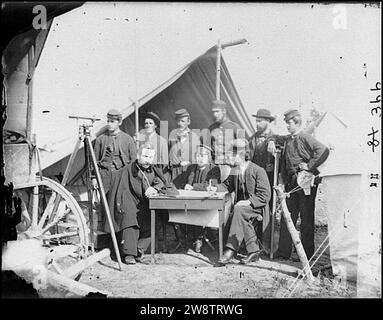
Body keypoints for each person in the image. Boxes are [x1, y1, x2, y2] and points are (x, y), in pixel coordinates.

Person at [275, 109, 329, 261]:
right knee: (289, 216)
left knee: (306, 219)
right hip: (292, 183)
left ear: (297, 122)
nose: (286, 126)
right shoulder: (288, 139)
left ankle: (306, 254)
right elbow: (275, 138)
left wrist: (310, 166)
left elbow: (323, 150)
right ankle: (284, 252)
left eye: (288, 123)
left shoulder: (305, 137)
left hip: (306, 182)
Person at [104, 142, 168, 264]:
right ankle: (129, 254)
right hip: (127, 199)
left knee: (158, 218)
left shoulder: (153, 169)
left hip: (144, 203)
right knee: (130, 218)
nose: (147, 160)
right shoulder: (128, 170)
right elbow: (122, 190)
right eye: (144, 156)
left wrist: (155, 188)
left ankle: (139, 249)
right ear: (138, 155)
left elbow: (160, 182)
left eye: (150, 157)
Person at [215, 139, 271, 266]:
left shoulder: (258, 170)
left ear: (241, 155)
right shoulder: (235, 170)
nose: (229, 157)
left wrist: (248, 202)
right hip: (243, 207)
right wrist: (215, 188)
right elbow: (227, 186)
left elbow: (265, 195)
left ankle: (230, 250)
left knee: (238, 210)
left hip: (257, 206)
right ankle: (254, 251)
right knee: (238, 210)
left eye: (232, 154)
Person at [248, 108, 277, 255]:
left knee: (267, 213)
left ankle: (266, 246)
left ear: (268, 122)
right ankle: (253, 244)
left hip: (270, 181)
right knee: (253, 209)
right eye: (256, 121)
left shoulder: (275, 138)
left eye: (260, 121)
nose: (257, 124)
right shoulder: (252, 138)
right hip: (254, 181)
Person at [182, 144, 221, 252]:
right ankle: (189, 237)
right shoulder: (191, 168)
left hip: (207, 202)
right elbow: (185, 183)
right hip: (191, 200)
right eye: (198, 155)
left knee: (197, 211)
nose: (200, 158)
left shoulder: (214, 169)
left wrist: (193, 187)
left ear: (209, 158)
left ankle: (198, 238)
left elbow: (210, 186)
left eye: (203, 155)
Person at [92, 109, 136, 195]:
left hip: (122, 176)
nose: (109, 124)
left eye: (112, 121)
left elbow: (133, 161)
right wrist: (94, 178)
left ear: (119, 123)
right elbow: (94, 161)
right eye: (108, 121)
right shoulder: (100, 139)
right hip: (105, 176)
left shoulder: (128, 139)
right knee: (105, 203)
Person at [203, 100, 243, 174]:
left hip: (231, 168)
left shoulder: (234, 127)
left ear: (224, 111)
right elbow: (207, 150)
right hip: (214, 167)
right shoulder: (210, 129)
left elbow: (243, 149)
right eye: (213, 112)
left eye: (217, 111)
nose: (215, 114)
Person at [168, 108, 200, 181]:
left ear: (188, 122)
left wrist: (189, 162)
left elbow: (198, 155)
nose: (180, 124)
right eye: (178, 121)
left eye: (182, 121)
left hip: (189, 171)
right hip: (174, 172)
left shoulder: (194, 136)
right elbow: (169, 153)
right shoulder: (172, 135)